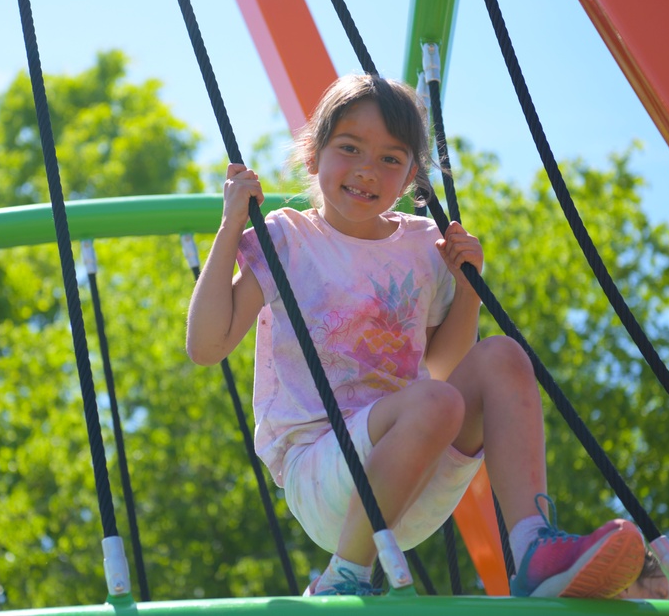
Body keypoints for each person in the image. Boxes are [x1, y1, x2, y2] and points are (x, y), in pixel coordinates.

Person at [186, 73, 645, 598]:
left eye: (390, 158)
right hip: (323, 475)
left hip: (415, 478)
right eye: (350, 147)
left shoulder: (423, 245)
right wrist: (228, 229)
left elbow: (444, 370)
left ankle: (533, 546)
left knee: (502, 356)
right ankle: (344, 575)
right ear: (312, 156)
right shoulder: (288, 240)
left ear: (410, 178)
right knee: (432, 403)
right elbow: (207, 347)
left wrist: (466, 287)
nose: (367, 170)